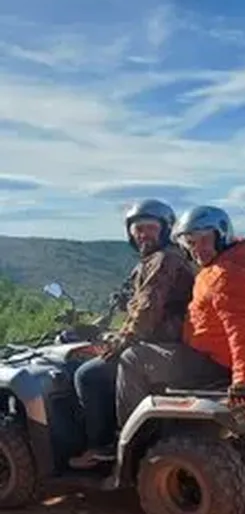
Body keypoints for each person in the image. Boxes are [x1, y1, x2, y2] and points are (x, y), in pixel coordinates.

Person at [114, 205, 245, 428]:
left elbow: (241, 331)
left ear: (221, 235)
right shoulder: (224, 264)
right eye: (191, 243)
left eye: (204, 240)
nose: (197, 250)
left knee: (132, 358)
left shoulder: (226, 276)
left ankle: (131, 435)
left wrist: (244, 381)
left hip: (214, 361)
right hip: (216, 352)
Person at [70, 199, 195, 467]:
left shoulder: (163, 260)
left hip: (168, 344)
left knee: (88, 375)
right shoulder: (161, 258)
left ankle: (104, 446)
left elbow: (147, 311)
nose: (143, 235)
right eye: (137, 229)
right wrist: (105, 325)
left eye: (150, 228)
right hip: (170, 341)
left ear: (165, 230)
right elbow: (135, 304)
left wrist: (119, 341)